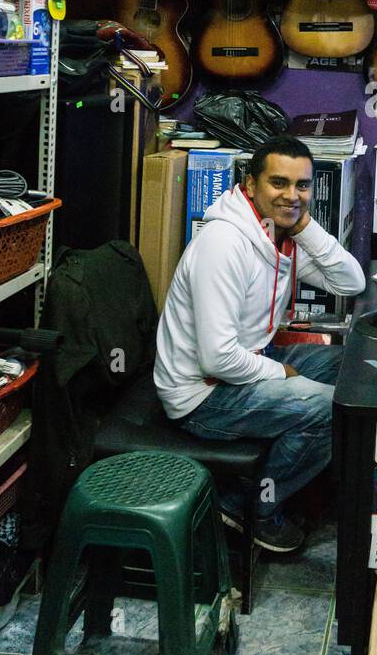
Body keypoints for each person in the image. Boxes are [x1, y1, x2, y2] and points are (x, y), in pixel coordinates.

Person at [153, 135, 365, 553]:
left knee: (353, 372)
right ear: (250, 185)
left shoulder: (275, 233)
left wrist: (302, 223)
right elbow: (217, 356)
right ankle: (253, 507)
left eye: (302, 186)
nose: (291, 195)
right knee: (329, 408)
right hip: (201, 394)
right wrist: (279, 372)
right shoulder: (225, 244)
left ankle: (290, 486)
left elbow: (350, 282)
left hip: (245, 365)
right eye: (278, 183)